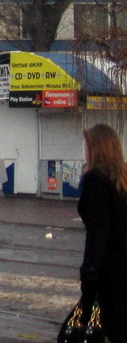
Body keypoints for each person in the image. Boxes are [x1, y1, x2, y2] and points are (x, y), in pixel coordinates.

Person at [77, 123, 127, 343]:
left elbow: (98, 232)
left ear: (96, 148)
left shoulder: (96, 180)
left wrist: (89, 273)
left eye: (87, 145)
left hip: (109, 272)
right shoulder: (122, 179)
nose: (85, 151)